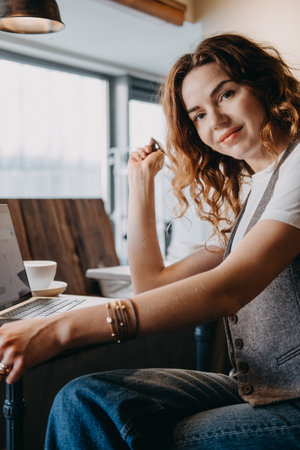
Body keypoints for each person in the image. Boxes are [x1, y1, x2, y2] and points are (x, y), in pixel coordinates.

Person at [0, 33, 299, 449]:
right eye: (198, 115)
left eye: (226, 94)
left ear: (264, 86)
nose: (215, 120)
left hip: (291, 402)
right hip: (260, 390)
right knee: (84, 400)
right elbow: (153, 286)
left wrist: (60, 329)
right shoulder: (255, 194)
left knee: (147, 433)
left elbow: (229, 287)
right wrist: (139, 184)